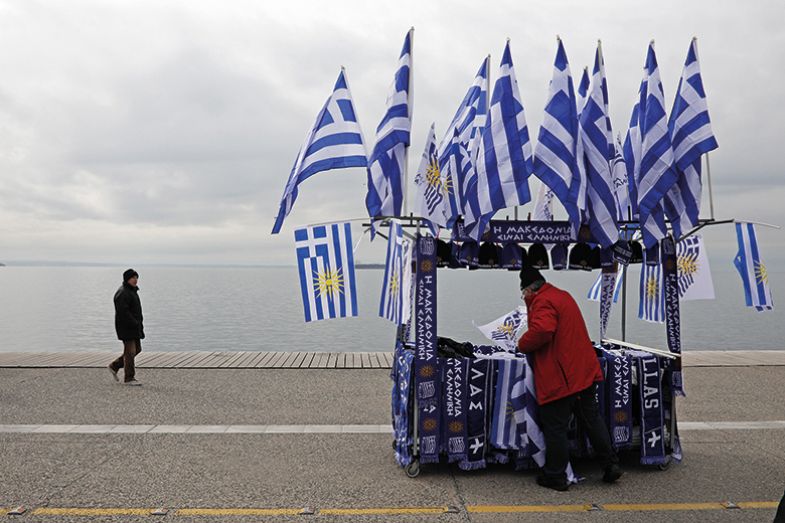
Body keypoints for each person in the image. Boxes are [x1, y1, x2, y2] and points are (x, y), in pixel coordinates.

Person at [516, 266, 621, 491]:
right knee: (591, 420)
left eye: (523, 292)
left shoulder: (542, 302)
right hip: (583, 370)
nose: (523, 297)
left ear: (530, 290)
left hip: (563, 376)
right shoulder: (562, 296)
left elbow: (543, 330)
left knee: (555, 426)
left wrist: (522, 343)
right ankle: (610, 464)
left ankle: (555, 476)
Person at [108, 268, 145, 386]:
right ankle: (129, 378)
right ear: (127, 279)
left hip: (134, 327)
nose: (135, 280)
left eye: (136, 278)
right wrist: (133, 322)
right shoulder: (123, 292)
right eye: (133, 278)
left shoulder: (132, 291)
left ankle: (114, 366)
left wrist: (139, 325)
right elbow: (123, 312)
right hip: (126, 327)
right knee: (130, 352)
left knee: (137, 349)